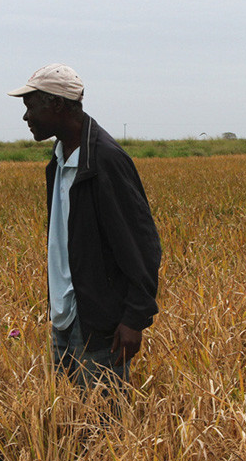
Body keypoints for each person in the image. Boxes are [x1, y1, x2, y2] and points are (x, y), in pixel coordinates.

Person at [8, 64, 161, 389]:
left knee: (104, 430)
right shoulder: (61, 158)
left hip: (99, 324)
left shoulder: (105, 161)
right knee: (68, 422)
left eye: (30, 106)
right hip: (64, 318)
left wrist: (135, 319)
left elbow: (143, 244)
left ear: (58, 105)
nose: (26, 117)